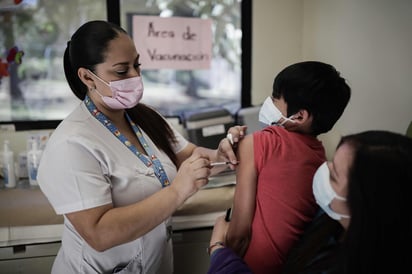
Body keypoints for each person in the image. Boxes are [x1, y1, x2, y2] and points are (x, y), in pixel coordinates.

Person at [36, 20, 238, 274]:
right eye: (121, 71)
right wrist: (176, 192)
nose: (135, 76)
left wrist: (221, 154)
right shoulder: (72, 143)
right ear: (87, 76)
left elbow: (187, 157)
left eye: (137, 65)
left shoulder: (144, 116)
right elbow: (99, 233)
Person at [207, 130, 412, 274]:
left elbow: (238, 235)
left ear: (363, 205)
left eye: (333, 176)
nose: (322, 171)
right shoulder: (330, 224)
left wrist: (218, 249)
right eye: (330, 163)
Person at [224, 61, 352, 273]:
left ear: (300, 116)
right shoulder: (319, 155)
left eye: (275, 98)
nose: (269, 102)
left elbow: (238, 236)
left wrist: (219, 248)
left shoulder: (258, 143)